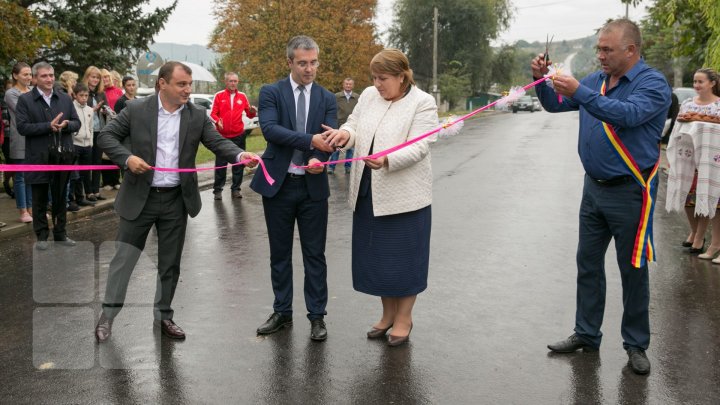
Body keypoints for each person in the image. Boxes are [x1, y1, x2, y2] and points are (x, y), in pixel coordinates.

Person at [532, 19, 671, 375]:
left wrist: (579, 91)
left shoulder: (652, 84)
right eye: (598, 48)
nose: (600, 55)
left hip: (630, 192)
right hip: (593, 189)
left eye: (607, 49)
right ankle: (586, 333)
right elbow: (555, 105)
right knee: (588, 266)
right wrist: (541, 81)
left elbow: (627, 115)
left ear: (631, 50)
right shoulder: (595, 81)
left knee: (633, 271)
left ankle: (636, 344)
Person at [94, 61, 259, 342]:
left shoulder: (196, 116)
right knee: (124, 260)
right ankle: (107, 316)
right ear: (163, 83)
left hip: (175, 201)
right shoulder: (136, 110)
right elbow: (107, 137)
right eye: (181, 84)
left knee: (169, 264)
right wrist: (127, 159)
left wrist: (240, 155)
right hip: (139, 199)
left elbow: (217, 142)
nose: (187, 90)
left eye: (189, 85)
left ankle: (164, 316)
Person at [324, 49, 438, 346]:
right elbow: (354, 125)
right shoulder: (369, 96)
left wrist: (388, 160)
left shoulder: (422, 103)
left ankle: (404, 318)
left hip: (405, 197)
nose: (377, 84)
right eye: (373, 77)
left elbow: (420, 145)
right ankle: (387, 315)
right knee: (378, 260)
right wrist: (343, 136)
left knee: (404, 261)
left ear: (402, 76)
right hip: (367, 192)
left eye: (383, 78)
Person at [250, 35, 337, 341]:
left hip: (313, 187)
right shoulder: (272, 92)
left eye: (313, 62)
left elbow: (329, 139)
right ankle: (282, 312)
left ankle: (317, 316)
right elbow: (272, 131)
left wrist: (318, 156)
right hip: (279, 186)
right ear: (289, 62)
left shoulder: (327, 98)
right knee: (280, 254)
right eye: (302, 63)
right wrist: (309, 141)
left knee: (315, 254)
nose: (309, 69)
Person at [15, 61, 82, 250]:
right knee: (40, 200)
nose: (49, 79)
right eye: (44, 76)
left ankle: (61, 234)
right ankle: (42, 237)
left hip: (62, 157)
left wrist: (67, 124)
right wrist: (48, 126)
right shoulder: (26, 100)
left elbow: (77, 123)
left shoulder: (65, 99)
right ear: (35, 78)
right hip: (38, 157)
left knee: (61, 198)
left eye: (51, 75)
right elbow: (22, 127)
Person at [674, 68, 720, 259]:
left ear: (712, 83)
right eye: (694, 82)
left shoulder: (718, 106)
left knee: (709, 198)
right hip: (689, 156)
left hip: (711, 159)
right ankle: (695, 232)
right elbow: (679, 125)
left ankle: (702, 238)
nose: (696, 85)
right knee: (688, 197)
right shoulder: (686, 103)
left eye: (700, 82)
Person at [210, 72, 257, 200]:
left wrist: (252, 111)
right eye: (230, 81)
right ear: (226, 82)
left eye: (235, 81)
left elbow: (249, 114)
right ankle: (217, 190)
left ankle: (236, 189)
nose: (233, 83)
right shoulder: (219, 96)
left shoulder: (242, 96)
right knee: (221, 164)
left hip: (238, 135)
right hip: (222, 136)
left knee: (239, 164)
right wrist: (217, 121)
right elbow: (213, 113)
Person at [4, 62, 34, 223]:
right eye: (25, 74)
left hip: (33, 139)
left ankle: (31, 209)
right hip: (20, 139)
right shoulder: (11, 93)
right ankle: (23, 210)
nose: (29, 77)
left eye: (30, 74)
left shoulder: (32, 91)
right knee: (21, 176)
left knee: (31, 176)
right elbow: (25, 113)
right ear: (16, 76)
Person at [81, 66, 110, 202]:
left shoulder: (101, 94)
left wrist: (105, 111)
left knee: (97, 161)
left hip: (99, 130)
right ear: (87, 77)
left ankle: (96, 190)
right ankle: (88, 192)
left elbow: (107, 108)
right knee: (87, 162)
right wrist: (92, 110)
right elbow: (79, 111)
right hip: (86, 131)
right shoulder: (82, 92)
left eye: (98, 78)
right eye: (93, 77)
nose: (95, 80)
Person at [69, 82, 96, 209]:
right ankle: (71, 198)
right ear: (75, 95)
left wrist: (90, 142)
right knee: (74, 173)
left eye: (86, 95)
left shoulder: (90, 109)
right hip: (75, 144)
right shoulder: (71, 108)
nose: (84, 98)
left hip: (87, 145)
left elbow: (91, 128)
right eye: (81, 95)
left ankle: (81, 197)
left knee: (85, 172)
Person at [328, 78, 358, 175]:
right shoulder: (336, 96)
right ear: (343, 85)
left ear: (353, 85)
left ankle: (348, 167)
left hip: (352, 128)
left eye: (350, 84)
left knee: (350, 149)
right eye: (346, 84)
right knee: (336, 148)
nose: (348, 86)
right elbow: (332, 110)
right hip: (338, 126)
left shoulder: (357, 97)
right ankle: (331, 167)